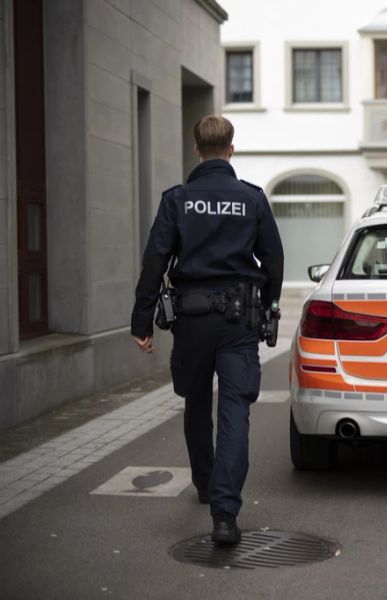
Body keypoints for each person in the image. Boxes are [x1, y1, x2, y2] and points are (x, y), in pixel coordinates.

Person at [130, 115, 284, 544]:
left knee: (196, 402)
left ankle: (204, 483)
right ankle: (225, 514)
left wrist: (142, 322)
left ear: (196, 150)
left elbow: (155, 261)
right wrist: (270, 309)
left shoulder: (177, 200)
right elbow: (274, 261)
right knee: (235, 409)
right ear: (231, 149)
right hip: (239, 322)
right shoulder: (251, 199)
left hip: (192, 320)